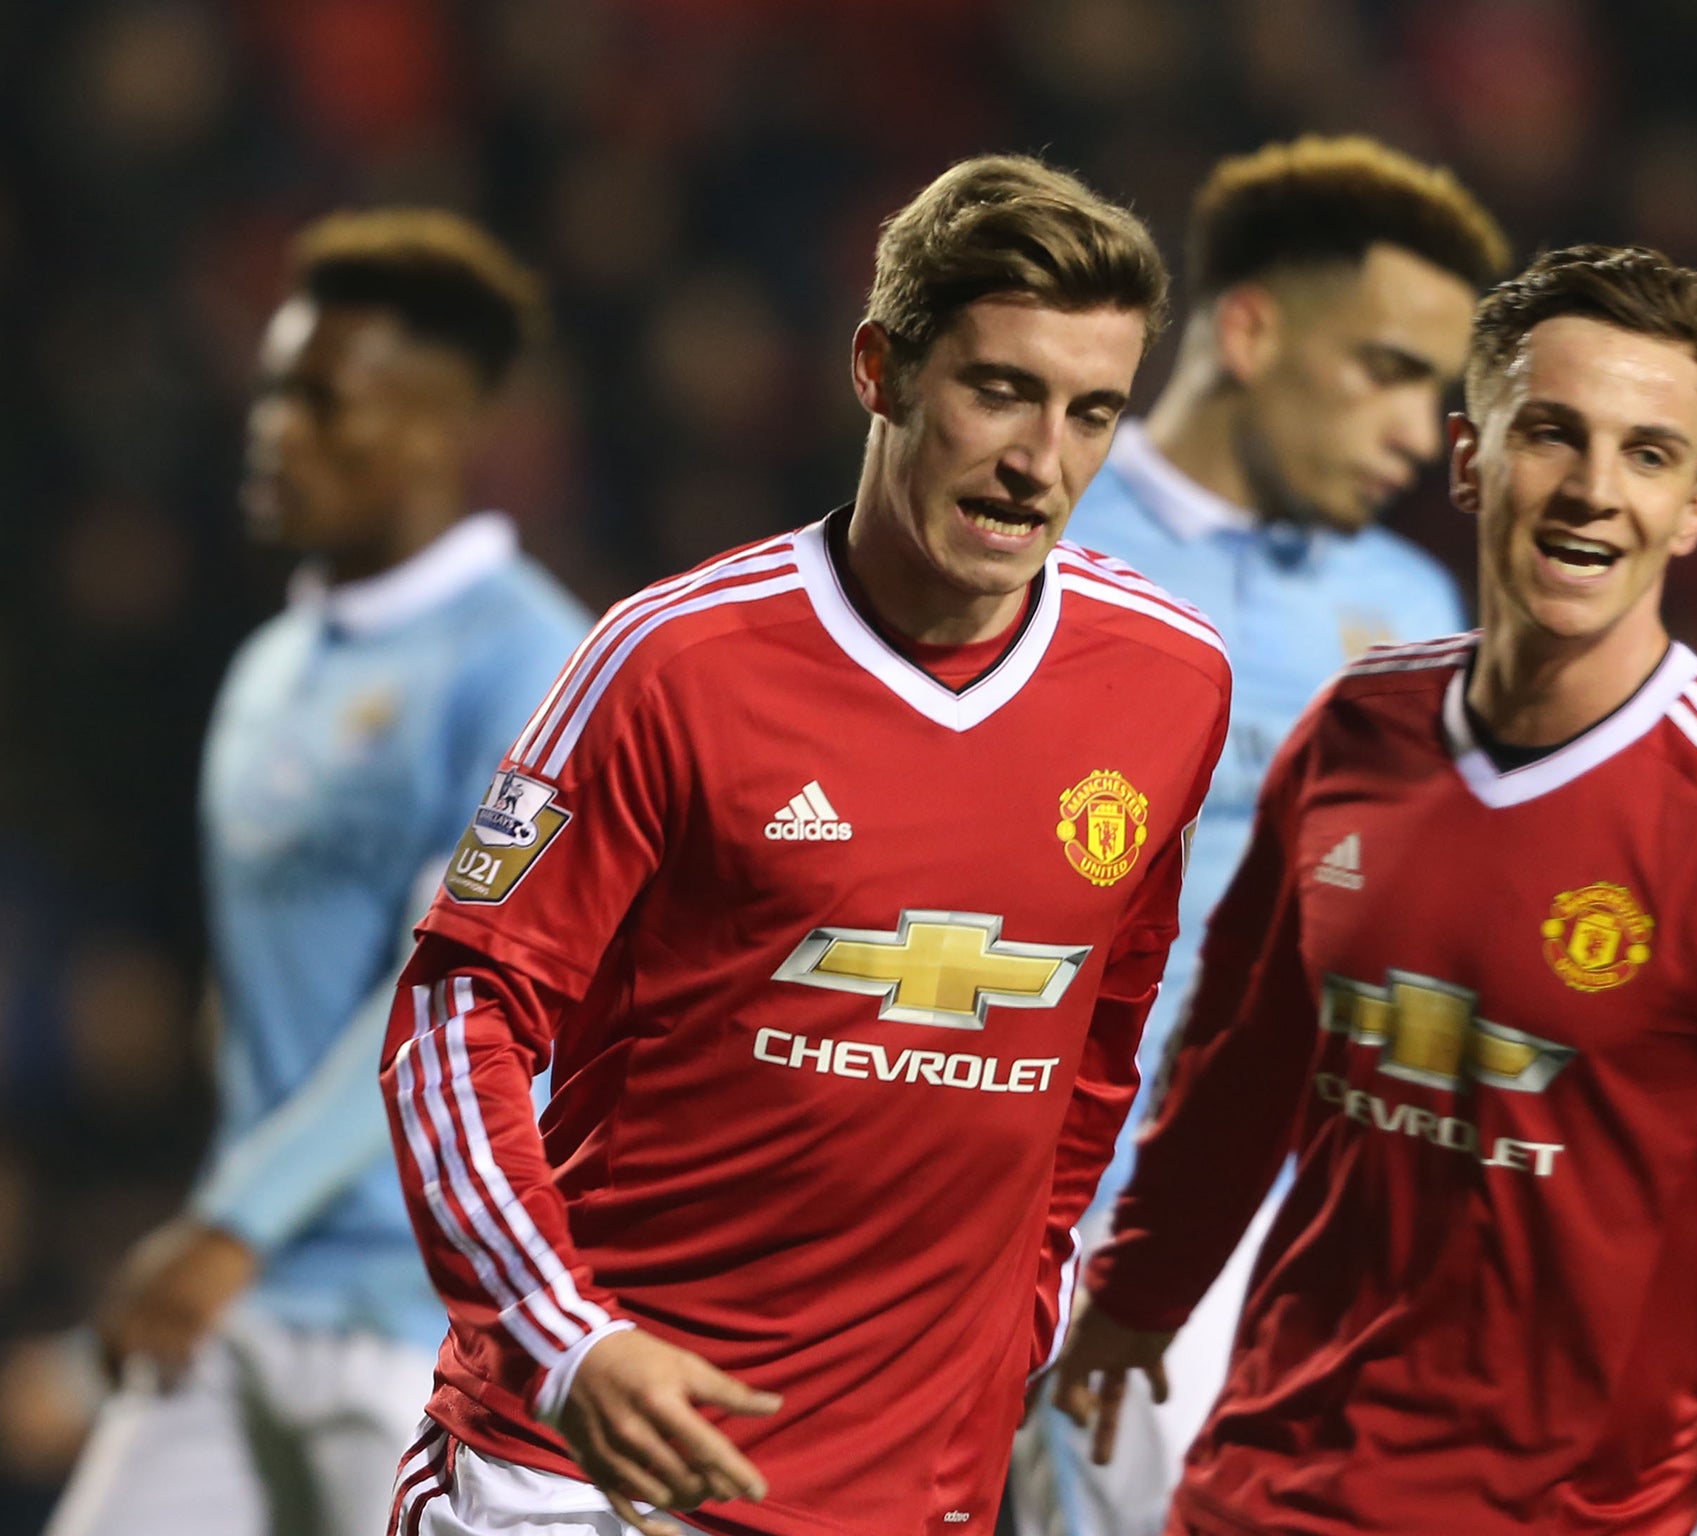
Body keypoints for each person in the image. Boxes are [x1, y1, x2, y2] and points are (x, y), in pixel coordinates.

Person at [1053, 245, 1697, 1536]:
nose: (1592, 491)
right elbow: (1245, 1057)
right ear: (1469, 457)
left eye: (1647, 454)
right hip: (1263, 1500)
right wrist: (1137, 1301)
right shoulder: (1354, 732)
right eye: (1553, 434)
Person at [378, 154, 1232, 1536]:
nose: (1040, 461)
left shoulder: (1169, 680)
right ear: (881, 370)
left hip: (904, 1498)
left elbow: (1103, 1030)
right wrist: (563, 1332)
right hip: (584, 1480)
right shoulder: (674, 663)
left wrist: (1021, 1314)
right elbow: (455, 1015)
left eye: (1092, 413)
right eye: (999, 390)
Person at [45, 211, 590, 1536]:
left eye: (315, 397)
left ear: (433, 427)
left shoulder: (533, 670)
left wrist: (227, 1218)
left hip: (436, 1318)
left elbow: (442, 993)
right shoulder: (267, 672)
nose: (270, 424)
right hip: (254, 1295)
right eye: (273, 385)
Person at [1010, 134, 1510, 1536]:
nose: (1423, 436)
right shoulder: (1032, 547)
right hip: (1127, 1233)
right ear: (1248, 329)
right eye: (1389, 372)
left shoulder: (1411, 599)